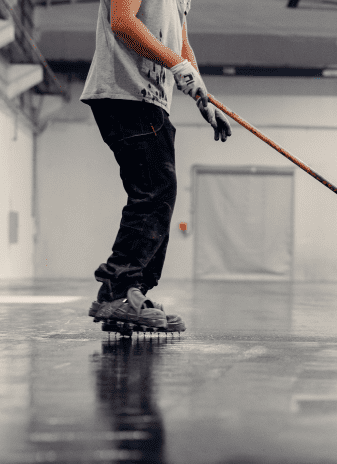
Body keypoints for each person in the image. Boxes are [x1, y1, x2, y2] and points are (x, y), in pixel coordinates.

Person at [82, 0, 232, 332]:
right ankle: (117, 293)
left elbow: (181, 43)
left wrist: (200, 96)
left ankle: (133, 294)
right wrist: (178, 65)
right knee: (154, 192)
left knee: (161, 195)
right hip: (125, 94)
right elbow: (122, 21)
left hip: (150, 99)